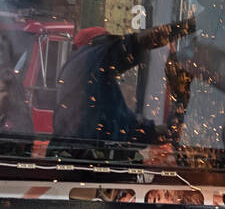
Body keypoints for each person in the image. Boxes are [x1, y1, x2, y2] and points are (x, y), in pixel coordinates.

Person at [49, 17, 195, 153]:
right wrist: (190, 25)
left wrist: (172, 127)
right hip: (85, 163)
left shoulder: (84, 82)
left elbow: (137, 131)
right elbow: (141, 41)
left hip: (69, 160)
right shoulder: (96, 54)